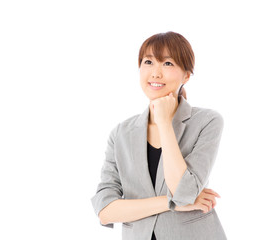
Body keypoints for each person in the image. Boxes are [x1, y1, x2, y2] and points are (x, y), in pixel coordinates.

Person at [90, 31, 227, 240]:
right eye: (148, 62)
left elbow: (183, 192)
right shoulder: (120, 134)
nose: (155, 72)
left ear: (187, 75)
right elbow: (105, 210)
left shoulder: (207, 121)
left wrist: (164, 122)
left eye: (168, 63)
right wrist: (171, 203)